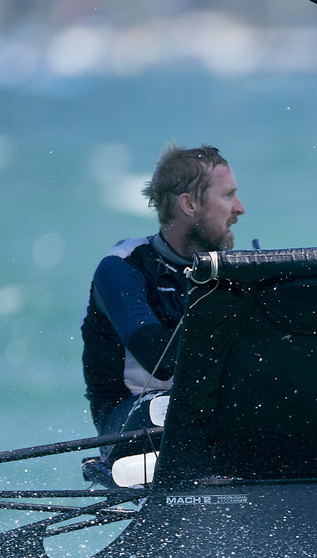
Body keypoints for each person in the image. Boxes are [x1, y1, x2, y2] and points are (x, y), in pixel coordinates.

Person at [80, 143, 245, 463]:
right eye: (227, 195)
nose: (239, 208)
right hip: (129, 418)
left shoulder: (232, 270)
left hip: (202, 414)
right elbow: (159, 359)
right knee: (170, 408)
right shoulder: (121, 268)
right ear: (190, 204)